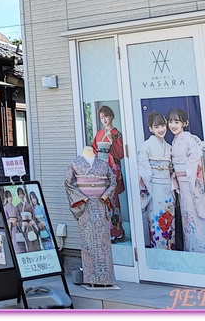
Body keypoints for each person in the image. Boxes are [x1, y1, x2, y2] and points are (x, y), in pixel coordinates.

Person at [64, 146, 116, 286]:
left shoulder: (103, 164)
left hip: (101, 202)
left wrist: (106, 195)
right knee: (88, 241)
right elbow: (68, 183)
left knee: (103, 241)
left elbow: (113, 181)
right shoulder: (74, 164)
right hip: (85, 205)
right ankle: (91, 278)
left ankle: (106, 278)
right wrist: (82, 198)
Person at [168, 108, 205, 253]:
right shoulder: (175, 141)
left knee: (195, 216)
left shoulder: (188, 138)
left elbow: (196, 159)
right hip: (183, 183)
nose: (173, 125)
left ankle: (202, 251)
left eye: (176, 122)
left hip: (190, 182)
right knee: (187, 217)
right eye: (170, 122)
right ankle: (191, 251)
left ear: (184, 123)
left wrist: (186, 174)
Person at [137, 112, 175, 250]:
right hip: (154, 187)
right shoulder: (147, 145)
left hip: (167, 187)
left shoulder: (169, 146)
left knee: (169, 223)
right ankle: (159, 254)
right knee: (157, 222)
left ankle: (170, 251)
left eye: (163, 125)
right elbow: (143, 169)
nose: (161, 129)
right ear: (151, 129)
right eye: (157, 126)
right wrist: (151, 186)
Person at [93, 105, 125, 242]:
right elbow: (94, 150)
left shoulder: (116, 133)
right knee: (102, 198)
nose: (104, 120)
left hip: (113, 168)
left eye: (106, 116)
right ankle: (105, 230)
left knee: (113, 198)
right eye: (101, 118)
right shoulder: (99, 134)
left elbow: (121, 154)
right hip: (102, 168)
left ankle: (116, 229)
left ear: (111, 116)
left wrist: (113, 143)